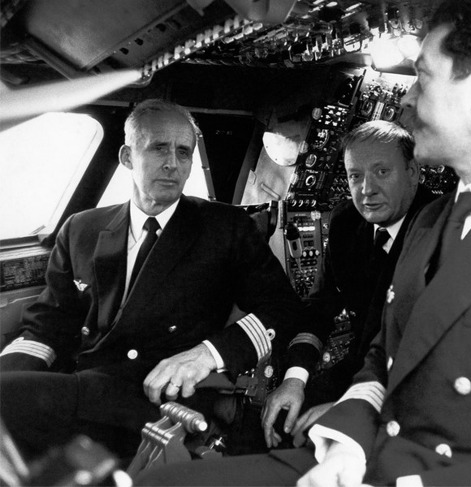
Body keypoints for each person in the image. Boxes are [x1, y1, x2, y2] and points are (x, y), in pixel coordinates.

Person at [136, 1, 471, 485]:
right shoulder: (433, 220)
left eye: (424, 77)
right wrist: (348, 440)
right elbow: (383, 358)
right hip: (376, 455)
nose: (407, 98)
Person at [0, 99, 306, 461]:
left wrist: (206, 355)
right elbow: (47, 327)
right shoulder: (82, 228)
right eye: (159, 148)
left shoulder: (225, 229)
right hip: (84, 384)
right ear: (127, 156)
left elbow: (283, 308)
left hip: (162, 398)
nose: (172, 164)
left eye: (183, 152)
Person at [261, 120, 436, 449]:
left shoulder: (442, 230)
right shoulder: (346, 223)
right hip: (358, 368)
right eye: (355, 175)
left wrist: (359, 406)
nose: (366, 189)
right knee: (286, 425)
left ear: (413, 172)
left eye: (382, 172)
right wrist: (294, 379)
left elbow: (439, 351)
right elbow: (320, 307)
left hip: (414, 389)